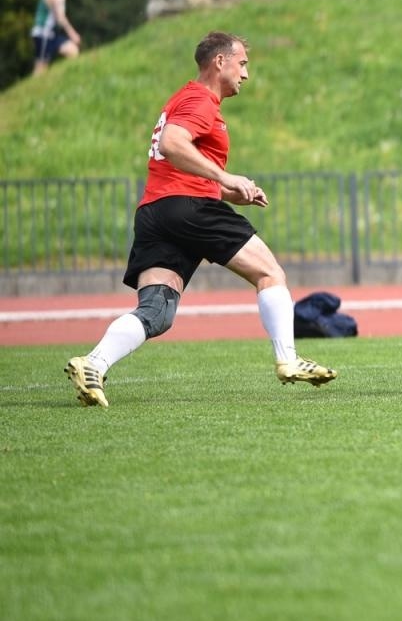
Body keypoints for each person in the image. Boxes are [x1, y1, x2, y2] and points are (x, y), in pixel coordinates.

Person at [64, 32, 337, 408]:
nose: (246, 75)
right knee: (270, 273)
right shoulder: (199, 100)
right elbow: (172, 145)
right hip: (187, 208)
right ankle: (288, 360)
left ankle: (92, 363)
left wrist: (230, 191)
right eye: (242, 64)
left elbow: (180, 162)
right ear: (219, 62)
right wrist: (226, 178)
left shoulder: (181, 99)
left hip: (156, 212)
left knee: (157, 312)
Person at [30, 0, 82, 75]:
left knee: (72, 50)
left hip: (50, 34)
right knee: (40, 70)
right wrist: (73, 34)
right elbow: (60, 18)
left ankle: (70, 77)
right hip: (44, 34)